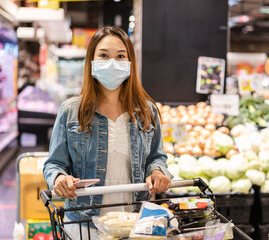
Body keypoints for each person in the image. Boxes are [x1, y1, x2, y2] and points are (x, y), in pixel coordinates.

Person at [43, 26, 172, 238]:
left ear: (130, 62)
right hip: (84, 224)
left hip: (134, 223)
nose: (113, 62)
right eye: (104, 55)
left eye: (121, 56)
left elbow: (156, 157)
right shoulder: (71, 111)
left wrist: (157, 172)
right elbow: (54, 163)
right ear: (92, 61)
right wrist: (58, 178)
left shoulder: (147, 111)